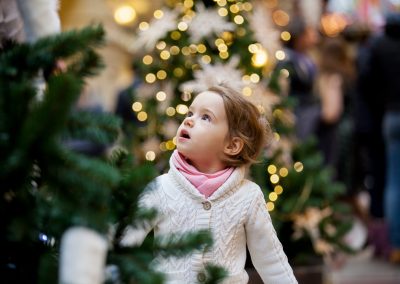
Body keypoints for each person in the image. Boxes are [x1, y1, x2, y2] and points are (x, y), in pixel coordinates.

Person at [121, 84, 297, 283]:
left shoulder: (248, 196)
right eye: (190, 113)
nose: (188, 120)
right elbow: (124, 245)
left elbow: (271, 260)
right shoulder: (160, 189)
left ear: (232, 145)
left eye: (206, 117)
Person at [361, 12, 400, 264]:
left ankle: (395, 245)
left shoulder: (378, 47)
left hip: (391, 116)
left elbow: (366, 82)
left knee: (393, 181)